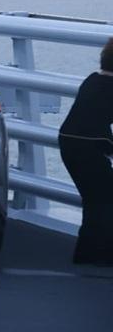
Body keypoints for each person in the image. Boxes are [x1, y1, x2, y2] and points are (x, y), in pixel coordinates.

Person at [58, 38, 113, 266]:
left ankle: (87, 252)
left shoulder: (92, 80)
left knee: (95, 198)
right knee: (104, 198)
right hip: (90, 145)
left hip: (69, 141)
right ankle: (97, 253)